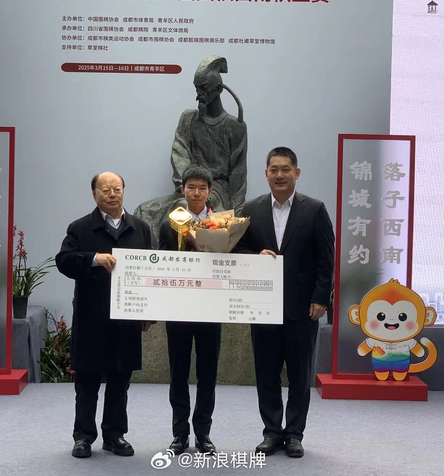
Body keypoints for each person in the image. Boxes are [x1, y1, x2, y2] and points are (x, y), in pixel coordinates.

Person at [234, 147, 334, 458]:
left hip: (302, 307)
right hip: (262, 306)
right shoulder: (249, 209)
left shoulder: (314, 209)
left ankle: (294, 434)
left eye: (286, 169)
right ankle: (271, 432)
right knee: (266, 373)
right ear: (266, 174)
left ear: (296, 173)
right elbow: (235, 251)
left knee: (300, 375)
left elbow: (325, 258)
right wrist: (256, 256)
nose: (280, 175)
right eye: (274, 170)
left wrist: (321, 298)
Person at [56, 172, 153, 459]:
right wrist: (93, 259)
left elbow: (151, 271)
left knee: (120, 381)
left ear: (124, 191)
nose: (112, 194)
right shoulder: (80, 227)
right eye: (106, 190)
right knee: (87, 382)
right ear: (94, 194)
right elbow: (63, 261)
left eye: (117, 189)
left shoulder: (140, 228)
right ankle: (83, 436)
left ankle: (115, 435)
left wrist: (148, 314)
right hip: (91, 317)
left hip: (127, 318)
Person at [134, 55, 248, 248]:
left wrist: (236, 210)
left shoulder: (235, 126)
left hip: (215, 189)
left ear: (218, 89)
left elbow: (238, 171)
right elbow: (180, 152)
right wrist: (186, 185)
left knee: (188, 211)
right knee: (145, 211)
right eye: (197, 89)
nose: (199, 94)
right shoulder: (188, 119)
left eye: (204, 88)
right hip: (188, 185)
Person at [158, 165, 221, 455]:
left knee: (208, 374)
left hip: (211, 308)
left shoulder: (222, 223)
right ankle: (180, 434)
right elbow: (162, 263)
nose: (196, 192)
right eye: (191, 187)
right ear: (183, 190)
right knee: (178, 373)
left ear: (210, 191)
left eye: (202, 188)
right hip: (179, 310)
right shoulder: (169, 224)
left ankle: (203, 433)